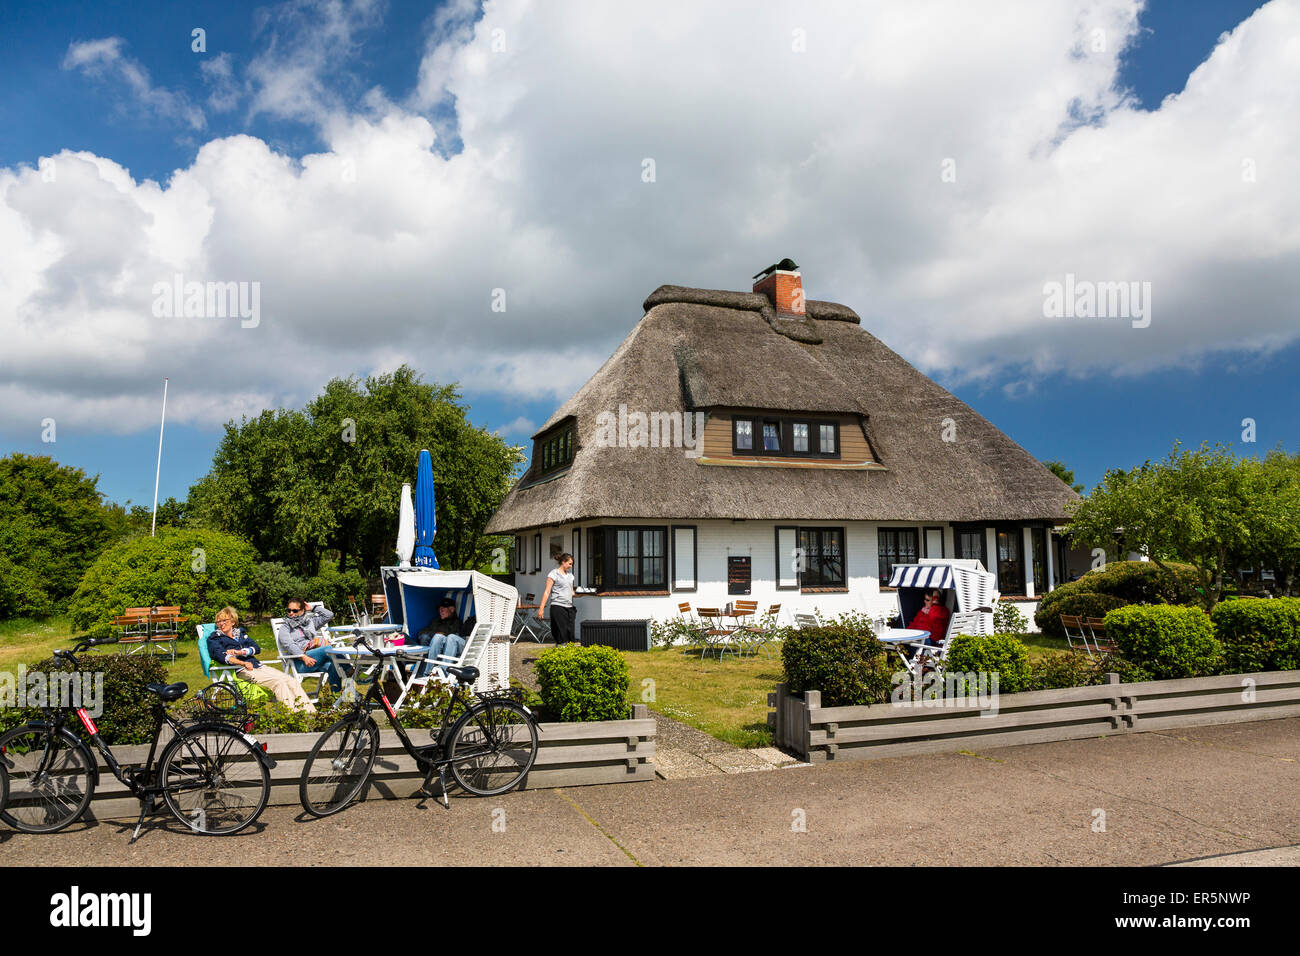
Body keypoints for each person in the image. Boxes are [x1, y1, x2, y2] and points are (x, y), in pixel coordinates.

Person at [208, 606, 315, 711]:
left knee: (291, 681)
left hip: (257, 665)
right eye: (218, 622)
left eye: (224, 620)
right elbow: (222, 656)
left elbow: (256, 648)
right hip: (241, 670)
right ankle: (293, 716)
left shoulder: (241, 634)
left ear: (232, 621)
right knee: (279, 682)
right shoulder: (215, 638)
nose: (221, 624)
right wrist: (242, 663)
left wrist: (241, 652)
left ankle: (310, 713)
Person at [280, 598, 340, 691]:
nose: (291, 613)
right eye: (289, 610)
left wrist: (313, 608)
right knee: (327, 648)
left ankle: (337, 697)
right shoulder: (285, 627)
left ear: (303, 610)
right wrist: (303, 656)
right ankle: (349, 669)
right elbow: (289, 645)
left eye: (295, 610)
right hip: (301, 663)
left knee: (334, 666)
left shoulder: (309, 622)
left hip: (315, 660)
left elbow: (329, 615)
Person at [413, 597, 464, 676]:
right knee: (429, 637)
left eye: (443, 608)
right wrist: (436, 634)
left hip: (452, 647)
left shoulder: (457, 622)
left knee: (442, 637)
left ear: (452, 609)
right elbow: (422, 632)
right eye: (440, 609)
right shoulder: (436, 621)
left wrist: (439, 634)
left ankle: (438, 673)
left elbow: (453, 636)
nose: (440, 611)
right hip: (435, 647)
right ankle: (427, 671)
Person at [538, 552, 576, 645]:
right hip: (557, 606)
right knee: (561, 633)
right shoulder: (554, 574)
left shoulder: (570, 576)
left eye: (572, 564)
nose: (571, 566)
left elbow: (572, 592)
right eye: (569, 563)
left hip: (569, 607)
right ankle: (560, 652)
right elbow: (547, 592)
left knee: (570, 634)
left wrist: (584, 594)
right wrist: (541, 608)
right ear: (563, 562)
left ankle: (566, 653)